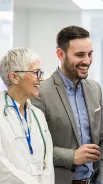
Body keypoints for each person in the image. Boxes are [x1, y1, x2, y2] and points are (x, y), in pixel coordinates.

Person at [31, 26, 103, 184]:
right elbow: (32, 147)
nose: (87, 61)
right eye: (79, 55)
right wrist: (72, 157)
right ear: (60, 54)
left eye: (90, 54)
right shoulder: (41, 92)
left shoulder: (95, 89)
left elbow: (100, 138)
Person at [0, 48, 54, 184]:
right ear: (14, 77)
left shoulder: (38, 115)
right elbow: (2, 168)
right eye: (36, 73)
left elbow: (47, 164)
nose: (41, 78)